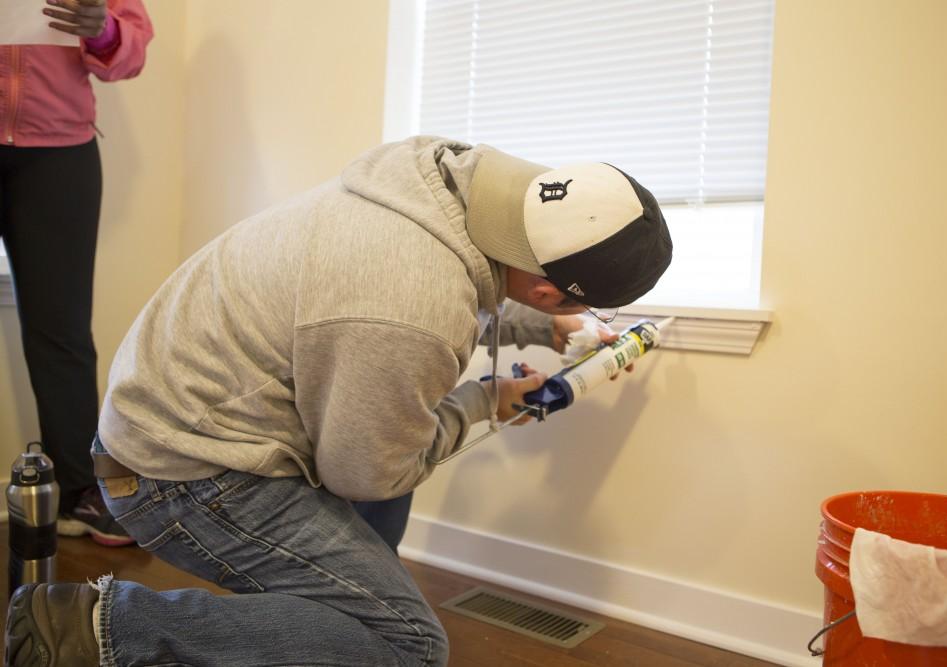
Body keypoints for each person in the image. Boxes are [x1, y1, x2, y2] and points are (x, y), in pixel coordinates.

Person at [3, 136, 672, 666]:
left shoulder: (443, 180)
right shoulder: (409, 303)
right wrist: (486, 400)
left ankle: (317, 628)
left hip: (176, 419)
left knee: (377, 496)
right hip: (177, 475)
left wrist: (539, 325)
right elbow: (370, 472)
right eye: (569, 306)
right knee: (407, 642)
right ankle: (102, 626)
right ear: (556, 291)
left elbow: (483, 280)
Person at [0, 0, 153, 547]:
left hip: (58, 154)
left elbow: (131, 47)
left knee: (61, 333)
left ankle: (75, 494)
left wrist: (105, 29)